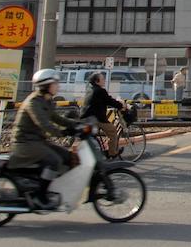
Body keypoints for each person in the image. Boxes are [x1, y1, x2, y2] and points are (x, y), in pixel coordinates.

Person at [8, 69, 77, 210]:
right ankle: (40, 196)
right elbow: (43, 124)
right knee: (54, 161)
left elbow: (57, 118)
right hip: (25, 143)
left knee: (67, 156)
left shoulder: (47, 101)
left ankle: (50, 188)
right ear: (46, 85)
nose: (58, 86)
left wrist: (77, 124)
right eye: (55, 83)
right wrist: (62, 133)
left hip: (37, 141)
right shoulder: (34, 102)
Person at [81, 72, 125, 158]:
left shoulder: (90, 88)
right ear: (97, 81)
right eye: (103, 79)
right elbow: (109, 101)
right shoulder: (100, 91)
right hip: (95, 119)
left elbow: (106, 100)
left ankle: (106, 149)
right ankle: (112, 153)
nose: (104, 81)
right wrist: (121, 106)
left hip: (87, 118)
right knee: (112, 130)